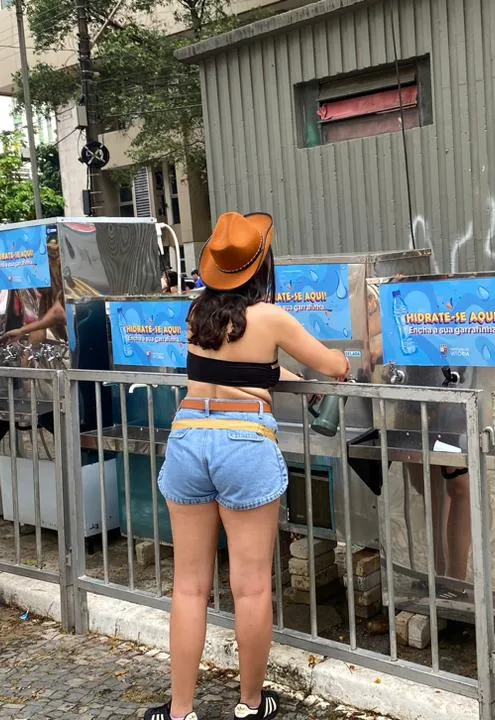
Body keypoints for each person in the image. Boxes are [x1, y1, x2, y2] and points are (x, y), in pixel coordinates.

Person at [145, 212, 349, 720]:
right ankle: (251, 704)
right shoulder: (271, 317)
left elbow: (226, 365)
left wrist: (270, 368)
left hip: (189, 437)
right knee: (251, 586)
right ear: (262, 265)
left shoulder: (197, 315)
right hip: (244, 441)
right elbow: (334, 366)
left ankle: (180, 711)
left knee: (190, 586)